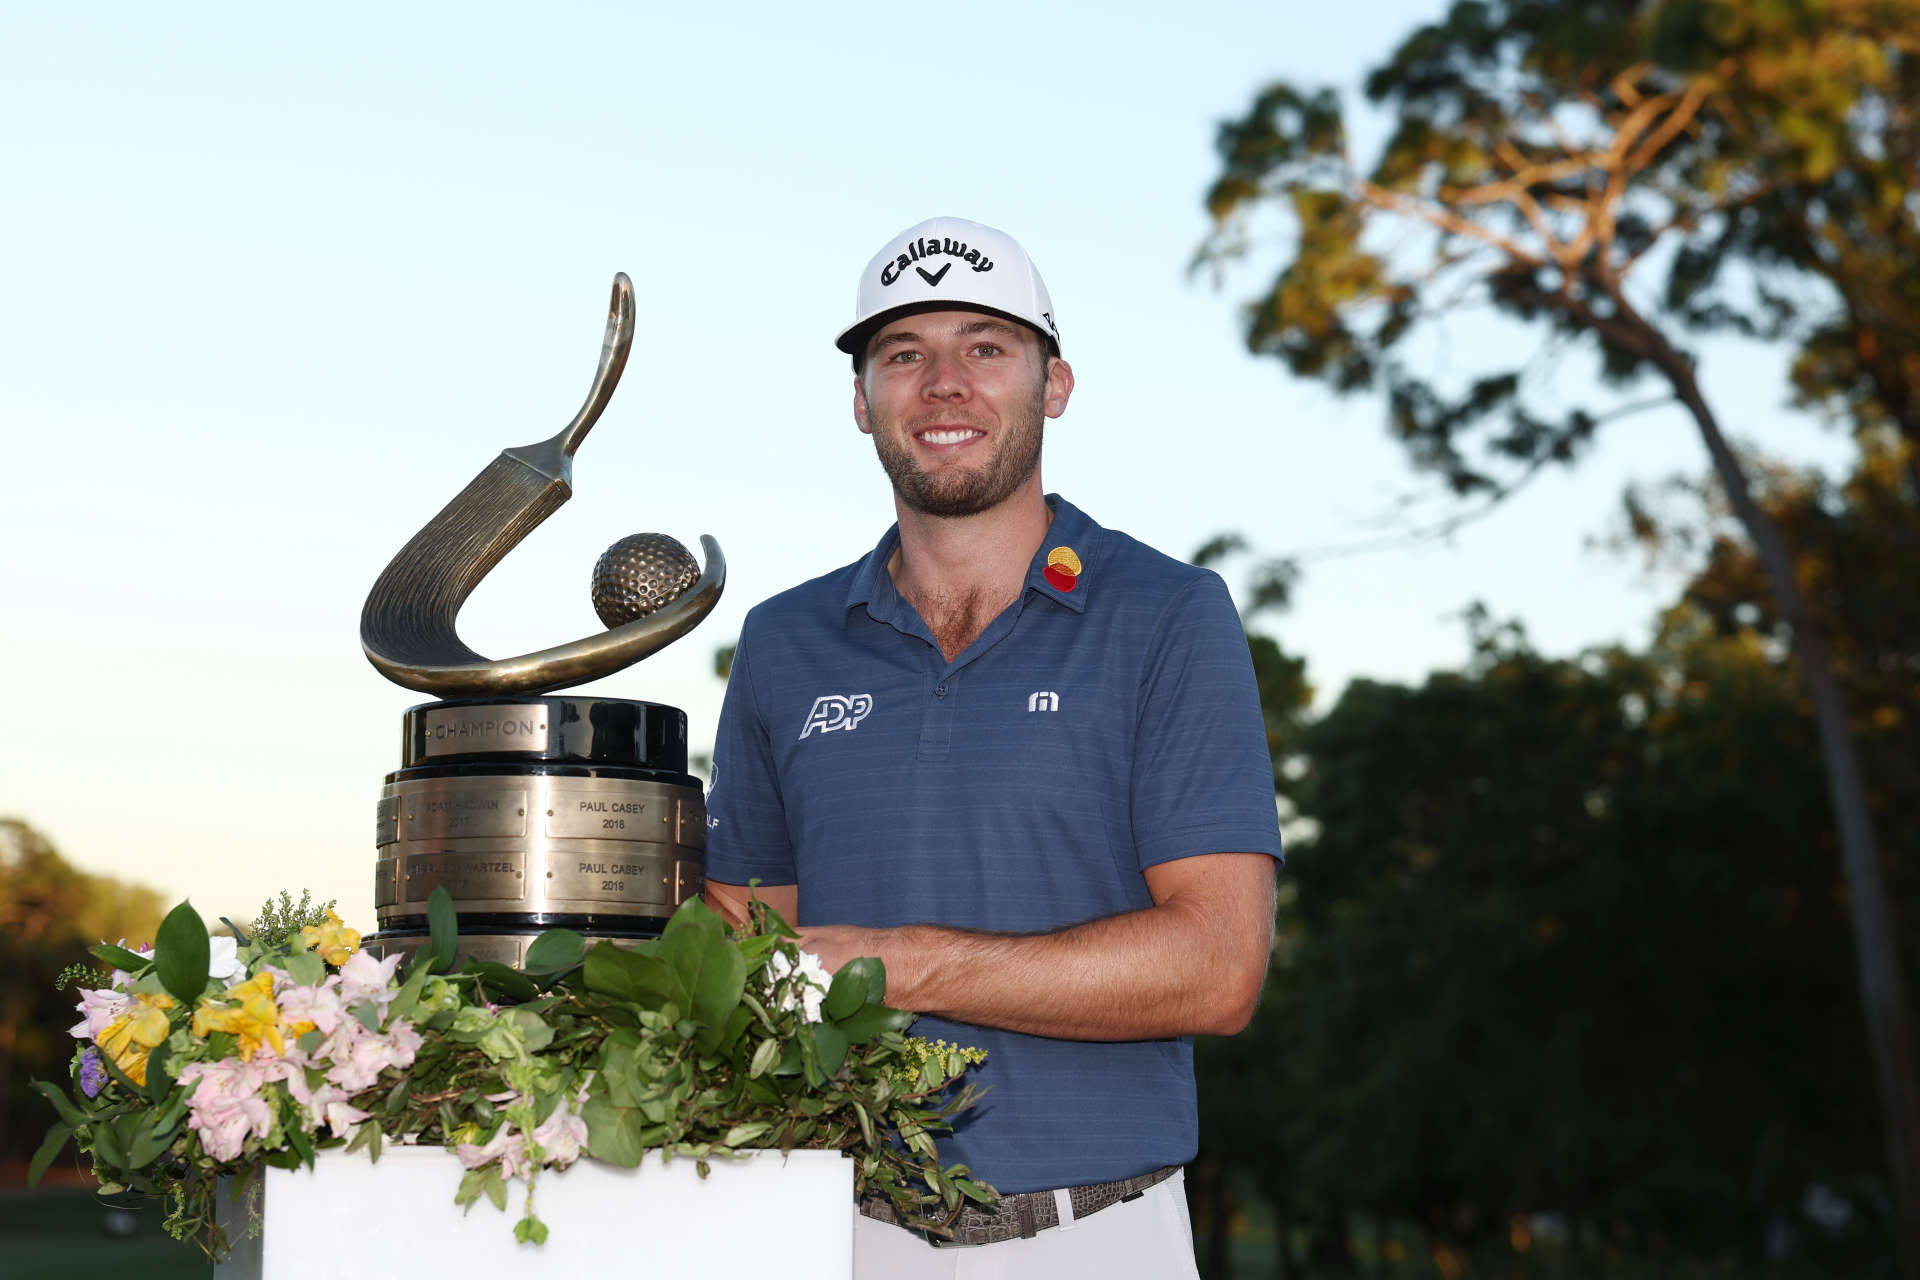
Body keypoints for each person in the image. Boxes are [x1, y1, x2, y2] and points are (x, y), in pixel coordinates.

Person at [704, 215, 1283, 1279]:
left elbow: (1220, 966)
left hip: (1096, 1237)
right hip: (833, 1231)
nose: (944, 384)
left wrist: (903, 961)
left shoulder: (1167, 612)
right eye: (904, 355)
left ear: (1053, 383)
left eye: (985, 346)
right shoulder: (785, 641)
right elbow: (746, 951)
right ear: (863, 402)